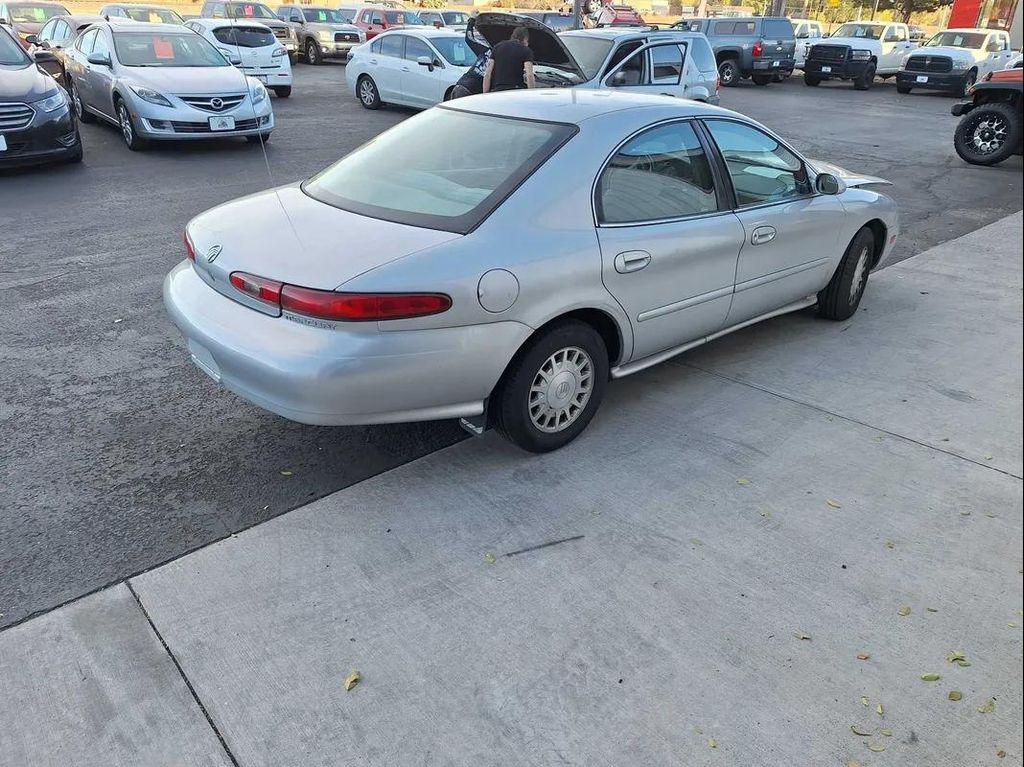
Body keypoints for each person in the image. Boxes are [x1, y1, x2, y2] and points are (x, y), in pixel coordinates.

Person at [483, 26, 536, 93]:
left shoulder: (497, 47)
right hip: (515, 91)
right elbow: (529, 75)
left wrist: (485, 94)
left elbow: (487, 73)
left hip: (497, 90)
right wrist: (532, 93)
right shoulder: (526, 50)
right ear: (525, 38)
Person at [449, 19, 491, 99]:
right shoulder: (499, 58)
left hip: (460, 85)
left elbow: (469, 39)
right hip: (469, 91)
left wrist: (470, 24)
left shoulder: (485, 50)